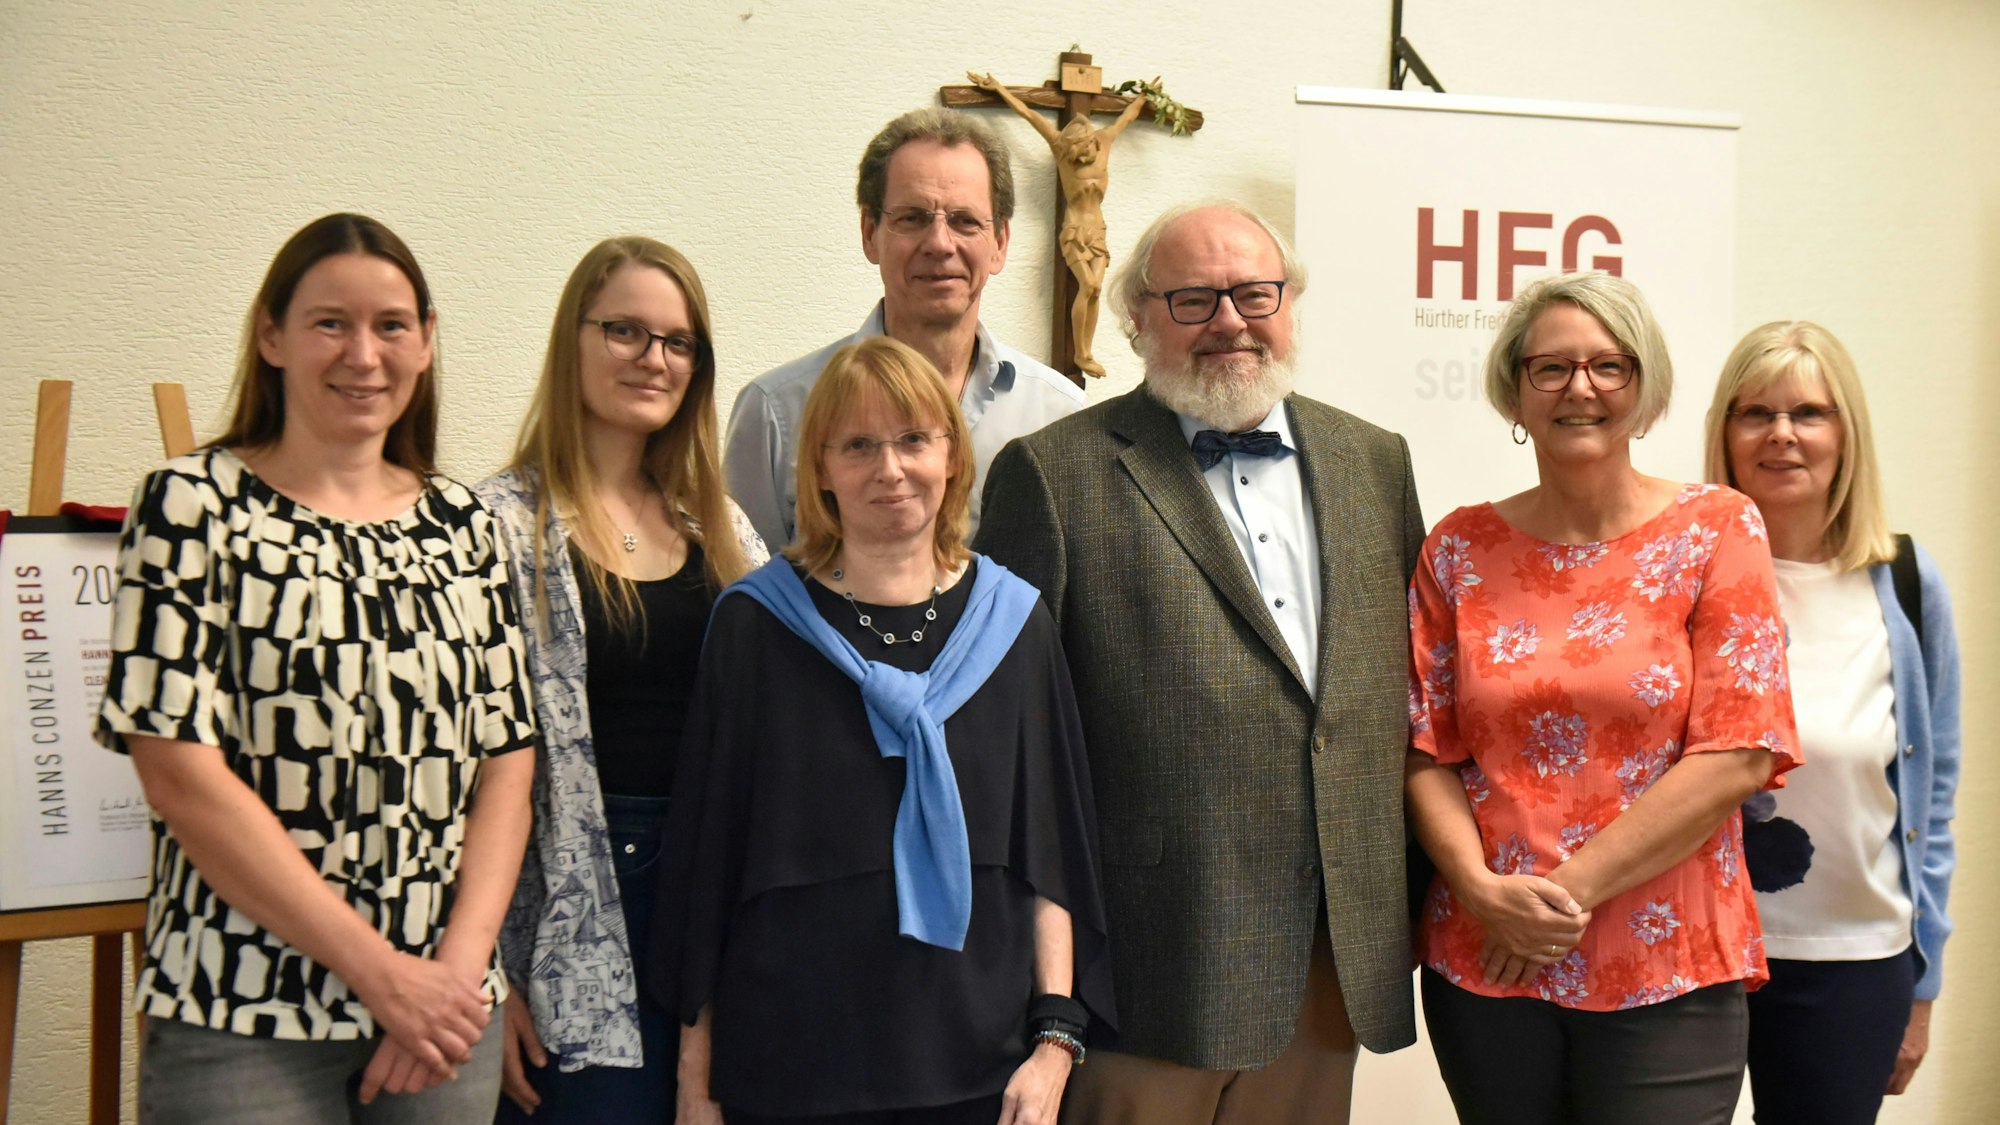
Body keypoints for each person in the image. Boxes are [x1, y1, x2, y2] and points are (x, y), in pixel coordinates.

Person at [977, 201, 1422, 1125]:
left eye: (1255, 292)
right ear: (1135, 318)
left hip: (1330, 959)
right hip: (1151, 971)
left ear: (1291, 304)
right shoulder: (1053, 475)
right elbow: (1012, 753)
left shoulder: (1375, 461)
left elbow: (1399, 699)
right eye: (1192, 298)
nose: (1230, 319)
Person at [94, 212, 538, 1122]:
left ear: (425, 343)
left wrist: (452, 977)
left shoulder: (466, 526)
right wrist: (385, 978)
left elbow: (508, 764)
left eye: (391, 326)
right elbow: (178, 774)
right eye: (330, 322)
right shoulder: (190, 507)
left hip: (444, 1019)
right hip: (242, 1012)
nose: (363, 355)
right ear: (271, 335)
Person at [657, 336, 1113, 1125]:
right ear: (821, 467)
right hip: (791, 1066)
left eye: (913, 440)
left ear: (951, 455)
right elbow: (709, 864)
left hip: (982, 1065)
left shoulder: (1015, 624)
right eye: (859, 445)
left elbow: (1051, 857)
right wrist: (695, 1085)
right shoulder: (756, 628)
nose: (890, 468)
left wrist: (1052, 1046)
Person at [1404, 272, 1801, 1124]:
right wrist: (1479, 891)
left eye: (1607, 366)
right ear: (1516, 391)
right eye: (1550, 368)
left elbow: (1737, 752)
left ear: (1642, 385)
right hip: (1488, 962)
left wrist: (1555, 900)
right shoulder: (1459, 546)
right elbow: (1424, 749)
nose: (1580, 387)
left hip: (1668, 965)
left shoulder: (1718, 528)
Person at [476, 237, 767, 1122]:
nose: (655, 359)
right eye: (626, 331)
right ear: (574, 339)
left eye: (679, 342)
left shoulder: (722, 527)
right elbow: (453, 770)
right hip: (563, 911)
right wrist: (485, 976)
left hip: (712, 899)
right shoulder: (493, 526)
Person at [1703, 322, 1960, 1122]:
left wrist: (1923, 986)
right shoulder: (1682, 571)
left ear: (1846, 434)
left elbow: (1933, 794)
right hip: (1699, 955)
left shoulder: (1907, 585)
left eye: (1808, 413)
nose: (1782, 434)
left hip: (1853, 962)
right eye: (1756, 413)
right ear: (1727, 432)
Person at [724, 107, 1085, 547]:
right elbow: (741, 592)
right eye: (912, 218)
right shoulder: (775, 415)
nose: (939, 244)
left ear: (1000, 244)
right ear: (870, 232)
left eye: (964, 221)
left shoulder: (1062, 416)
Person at [967, 70, 1149, 378]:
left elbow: (1127, 118)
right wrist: (998, 88)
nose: (1082, 156)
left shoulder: (1104, 142)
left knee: (1095, 290)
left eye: (1086, 149)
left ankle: (1086, 351)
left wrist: (1145, 96)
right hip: (1075, 231)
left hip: (1098, 232)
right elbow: (1027, 113)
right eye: (1076, 151)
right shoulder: (1060, 149)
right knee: (1088, 285)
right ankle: (1082, 353)